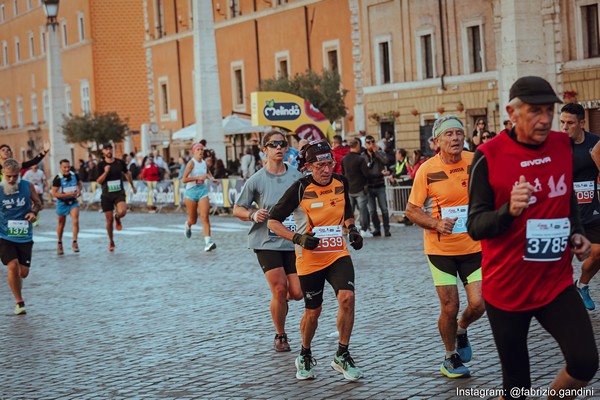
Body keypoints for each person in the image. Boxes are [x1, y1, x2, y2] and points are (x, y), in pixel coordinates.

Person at [467, 76, 598, 399]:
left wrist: (577, 234)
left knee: (584, 362)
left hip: (554, 282)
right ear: (512, 112)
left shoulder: (560, 145)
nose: (544, 119)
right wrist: (508, 211)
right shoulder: (488, 155)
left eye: (548, 111)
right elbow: (475, 225)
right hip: (507, 287)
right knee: (517, 386)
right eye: (535, 111)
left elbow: (565, 198)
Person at [268, 139, 364, 381]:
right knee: (314, 311)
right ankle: (305, 353)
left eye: (329, 163)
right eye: (320, 165)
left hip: (337, 254)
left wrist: (352, 229)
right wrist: (298, 238)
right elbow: (273, 222)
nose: (326, 169)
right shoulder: (300, 188)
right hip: (310, 259)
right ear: (309, 166)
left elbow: (346, 211)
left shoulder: (341, 182)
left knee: (347, 298)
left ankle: (342, 354)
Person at [405, 115, 484, 379]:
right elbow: (412, 210)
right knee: (449, 306)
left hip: (474, 246)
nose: (455, 139)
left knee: (479, 303)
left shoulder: (476, 161)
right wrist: (436, 224)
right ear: (437, 141)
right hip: (441, 251)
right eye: (448, 135)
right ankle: (450, 357)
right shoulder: (426, 170)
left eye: (458, 134)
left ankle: (462, 328)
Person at [233, 130, 303, 352]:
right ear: (264, 150)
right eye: (273, 145)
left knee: (297, 293)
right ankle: (280, 335)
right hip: (266, 241)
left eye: (282, 144)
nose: (279, 148)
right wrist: (252, 215)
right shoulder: (257, 179)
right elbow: (237, 208)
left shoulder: (297, 176)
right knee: (280, 289)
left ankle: (279, 304)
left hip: (292, 240)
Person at [560, 102, 600, 310]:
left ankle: (582, 285)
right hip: (565, 214)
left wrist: (596, 158)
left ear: (582, 123)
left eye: (570, 123)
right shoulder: (556, 146)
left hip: (591, 210)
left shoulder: (596, 143)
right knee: (562, 263)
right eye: (562, 122)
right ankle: (563, 304)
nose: (565, 128)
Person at [0, 159, 42, 315]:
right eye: (8, 176)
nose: (12, 180)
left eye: (15, 176)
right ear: (3, 173)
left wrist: (33, 212)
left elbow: (38, 203)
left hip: (24, 234)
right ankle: (19, 302)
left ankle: (17, 282)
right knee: (12, 265)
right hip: (4, 235)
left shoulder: (27, 186)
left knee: (23, 272)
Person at [96, 142, 137, 252]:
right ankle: (111, 241)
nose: (109, 151)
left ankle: (118, 217)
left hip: (118, 192)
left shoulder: (120, 162)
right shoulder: (100, 165)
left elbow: (128, 173)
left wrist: (132, 186)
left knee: (123, 211)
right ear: (103, 152)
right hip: (106, 195)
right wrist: (105, 172)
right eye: (106, 149)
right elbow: (99, 181)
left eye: (110, 149)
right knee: (109, 221)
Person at [182, 142, 219, 252]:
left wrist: (212, 179)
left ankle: (208, 242)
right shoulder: (191, 163)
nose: (201, 151)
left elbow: (207, 172)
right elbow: (184, 179)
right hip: (191, 193)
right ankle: (188, 225)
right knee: (193, 219)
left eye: (202, 149)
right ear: (194, 152)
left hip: (202, 191)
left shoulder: (204, 163)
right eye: (198, 149)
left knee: (205, 217)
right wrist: (198, 177)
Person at [342, 139, 372, 237]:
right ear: (357, 146)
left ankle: (349, 229)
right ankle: (364, 229)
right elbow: (366, 174)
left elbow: (343, 173)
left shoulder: (344, 159)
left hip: (349, 189)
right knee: (363, 210)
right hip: (360, 188)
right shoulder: (360, 159)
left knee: (349, 211)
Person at [51, 159, 82, 255]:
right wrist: (66, 194)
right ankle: (59, 243)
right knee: (61, 224)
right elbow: (54, 194)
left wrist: (79, 191)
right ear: (60, 168)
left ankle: (75, 242)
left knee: (75, 221)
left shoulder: (74, 175)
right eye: (64, 167)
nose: (67, 169)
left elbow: (79, 184)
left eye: (68, 167)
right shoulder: (57, 178)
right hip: (62, 203)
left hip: (73, 202)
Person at [363, 135, 391, 237]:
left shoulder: (380, 153)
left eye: (372, 142)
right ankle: (377, 229)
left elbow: (386, 161)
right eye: (368, 142)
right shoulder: (363, 156)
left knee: (384, 209)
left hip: (380, 185)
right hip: (369, 186)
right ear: (365, 144)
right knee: (372, 211)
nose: (371, 144)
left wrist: (376, 152)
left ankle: (387, 229)